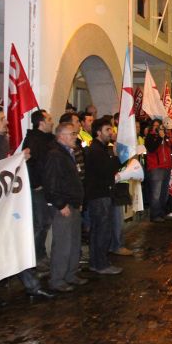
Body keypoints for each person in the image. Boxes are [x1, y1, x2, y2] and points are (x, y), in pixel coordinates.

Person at [0, 108, 50, 305]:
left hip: (5, 204)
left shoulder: (1, 140)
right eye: (1, 119)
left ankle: (31, 286)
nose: (6, 122)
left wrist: (16, 161)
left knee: (16, 243)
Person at [44, 122, 85, 292]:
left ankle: (70, 273)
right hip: (64, 206)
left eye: (75, 134)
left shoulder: (69, 153)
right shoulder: (55, 155)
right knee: (63, 243)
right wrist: (61, 204)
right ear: (61, 136)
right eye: (72, 134)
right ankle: (57, 279)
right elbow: (52, 182)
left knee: (74, 241)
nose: (75, 137)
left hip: (73, 203)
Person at [84, 117, 123, 275]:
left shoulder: (99, 149)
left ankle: (96, 262)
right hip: (99, 195)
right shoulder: (96, 150)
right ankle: (101, 264)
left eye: (112, 129)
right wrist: (116, 156)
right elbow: (106, 171)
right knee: (102, 230)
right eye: (108, 130)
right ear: (98, 132)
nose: (111, 133)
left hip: (99, 194)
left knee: (98, 230)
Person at [22, 109, 55, 270]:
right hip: (38, 189)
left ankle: (41, 254)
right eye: (49, 119)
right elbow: (30, 164)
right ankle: (34, 257)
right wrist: (36, 184)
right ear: (41, 122)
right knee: (41, 223)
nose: (52, 121)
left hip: (47, 187)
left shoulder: (48, 139)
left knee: (45, 222)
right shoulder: (34, 140)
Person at [145, 122, 172, 222]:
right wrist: (159, 137)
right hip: (156, 168)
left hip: (166, 167)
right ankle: (155, 215)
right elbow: (151, 148)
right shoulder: (150, 137)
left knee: (164, 193)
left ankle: (162, 213)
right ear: (152, 127)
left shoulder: (165, 137)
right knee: (156, 194)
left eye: (160, 126)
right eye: (156, 126)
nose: (158, 127)